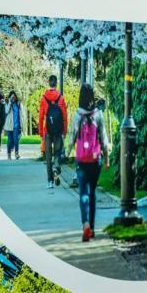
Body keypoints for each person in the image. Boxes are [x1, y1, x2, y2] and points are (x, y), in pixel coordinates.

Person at [67, 83, 111, 242]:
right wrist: (106, 158)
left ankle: (85, 222)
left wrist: (67, 152)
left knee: (83, 193)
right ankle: (91, 228)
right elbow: (104, 139)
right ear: (92, 97)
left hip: (81, 159)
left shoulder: (77, 115)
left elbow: (71, 136)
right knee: (92, 193)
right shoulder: (98, 114)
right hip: (95, 158)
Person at [38, 75, 68, 188]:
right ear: (56, 83)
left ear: (48, 83)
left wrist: (41, 132)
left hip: (47, 130)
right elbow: (64, 116)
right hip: (58, 130)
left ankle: (50, 181)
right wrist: (64, 131)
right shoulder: (61, 98)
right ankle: (56, 167)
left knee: (48, 155)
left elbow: (41, 117)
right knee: (57, 152)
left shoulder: (43, 98)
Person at [4, 90, 22, 159]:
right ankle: (9, 154)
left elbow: (20, 115)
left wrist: (21, 125)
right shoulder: (7, 103)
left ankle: (16, 154)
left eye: (14, 97)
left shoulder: (18, 104)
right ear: (10, 98)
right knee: (10, 140)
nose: (13, 98)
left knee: (16, 139)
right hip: (9, 125)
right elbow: (6, 111)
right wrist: (10, 103)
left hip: (16, 125)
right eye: (12, 97)